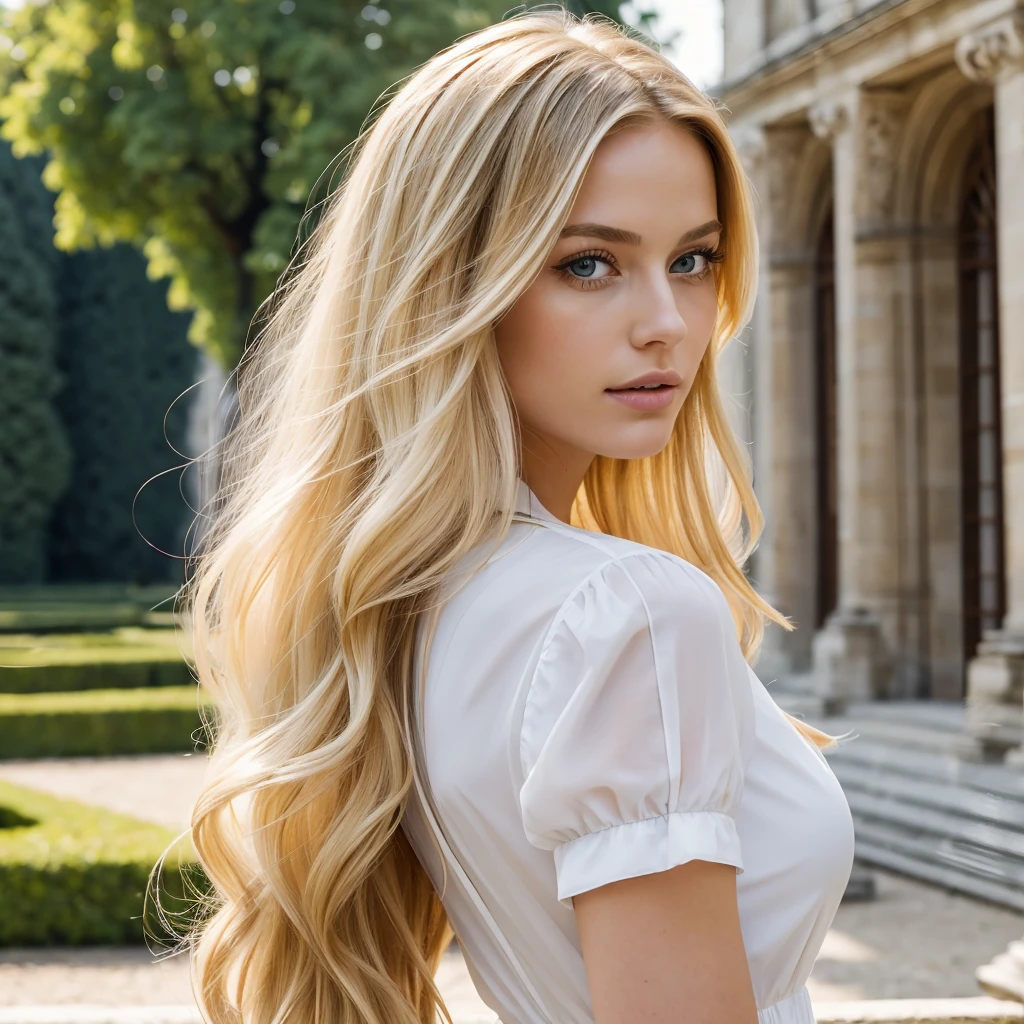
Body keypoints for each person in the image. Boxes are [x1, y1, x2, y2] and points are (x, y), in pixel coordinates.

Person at [178, 9, 856, 1024]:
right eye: (588, 262)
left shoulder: (414, 604)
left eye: (693, 259)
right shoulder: (630, 613)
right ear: (449, 284)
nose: (667, 324)